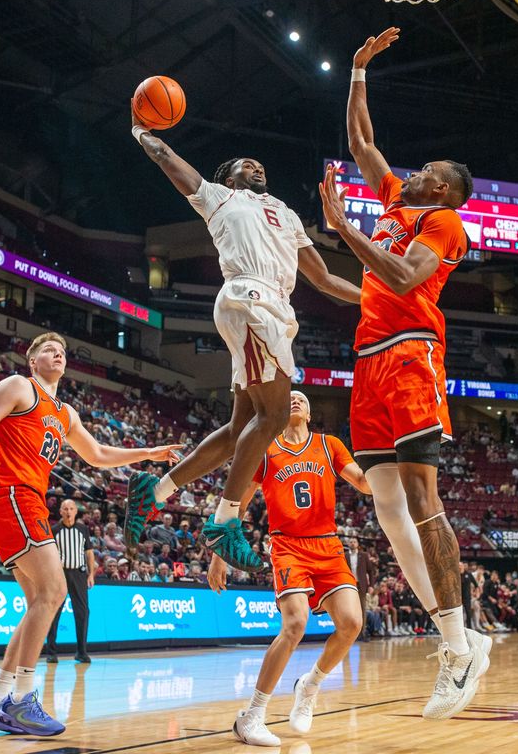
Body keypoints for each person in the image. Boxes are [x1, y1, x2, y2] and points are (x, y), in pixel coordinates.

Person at [318, 27, 490, 720]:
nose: (408, 169)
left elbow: (400, 272)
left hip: (412, 353)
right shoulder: (395, 201)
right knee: (388, 514)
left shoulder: (444, 222)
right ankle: (463, 638)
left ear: (443, 186)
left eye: (423, 168)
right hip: (367, 360)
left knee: (424, 500)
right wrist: (357, 71)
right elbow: (362, 143)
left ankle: (455, 647)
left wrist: (344, 231)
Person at [126, 114, 360, 572]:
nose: (257, 169)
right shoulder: (218, 198)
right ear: (227, 177)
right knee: (275, 416)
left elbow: (326, 278)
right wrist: (142, 132)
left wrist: (376, 299)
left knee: (241, 430)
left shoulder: (289, 215)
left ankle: (153, 492)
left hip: (274, 307)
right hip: (249, 297)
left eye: (260, 166)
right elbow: (168, 159)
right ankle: (224, 521)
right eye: (246, 165)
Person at [0, 332, 181, 736]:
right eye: (47, 348)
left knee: (38, 604)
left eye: (61, 349)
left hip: (30, 503)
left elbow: (97, 455)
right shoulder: (18, 386)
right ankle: (23, 701)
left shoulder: (66, 413)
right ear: (32, 361)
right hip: (11, 494)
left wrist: (147, 454)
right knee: (54, 591)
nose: (57, 352)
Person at [208, 391, 370, 746]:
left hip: (327, 544)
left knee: (352, 623)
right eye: (290, 397)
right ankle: (251, 716)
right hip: (288, 546)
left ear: (310, 413)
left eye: (302, 399)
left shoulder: (329, 445)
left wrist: (391, 471)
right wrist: (220, 552)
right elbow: (239, 501)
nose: (295, 400)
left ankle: (309, 685)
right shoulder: (265, 450)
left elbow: (363, 481)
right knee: (295, 624)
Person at [45, 499, 96, 665]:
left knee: (82, 612)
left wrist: (91, 575)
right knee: (54, 613)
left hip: (79, 574)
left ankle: (81, 652)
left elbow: (89, 553)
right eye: (65, 508)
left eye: (71, 508)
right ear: (60, 511)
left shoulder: (83, 529)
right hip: (59, 574)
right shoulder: (54, 530)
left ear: (76, 511)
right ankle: (51, 652)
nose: (68, 511)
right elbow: (49, 555)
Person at [344, 537, 373, 640]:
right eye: (350, 542)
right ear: (348, 544)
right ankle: (350, 633)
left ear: (357, 544)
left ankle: (363, 632)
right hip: (349, 585)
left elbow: (370, 571)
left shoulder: (364, 555)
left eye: (354, 542)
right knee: (349, 610)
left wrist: (371, 586)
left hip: (361, 585)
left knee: (362, 609)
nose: (352, 543)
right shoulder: (345, 556)